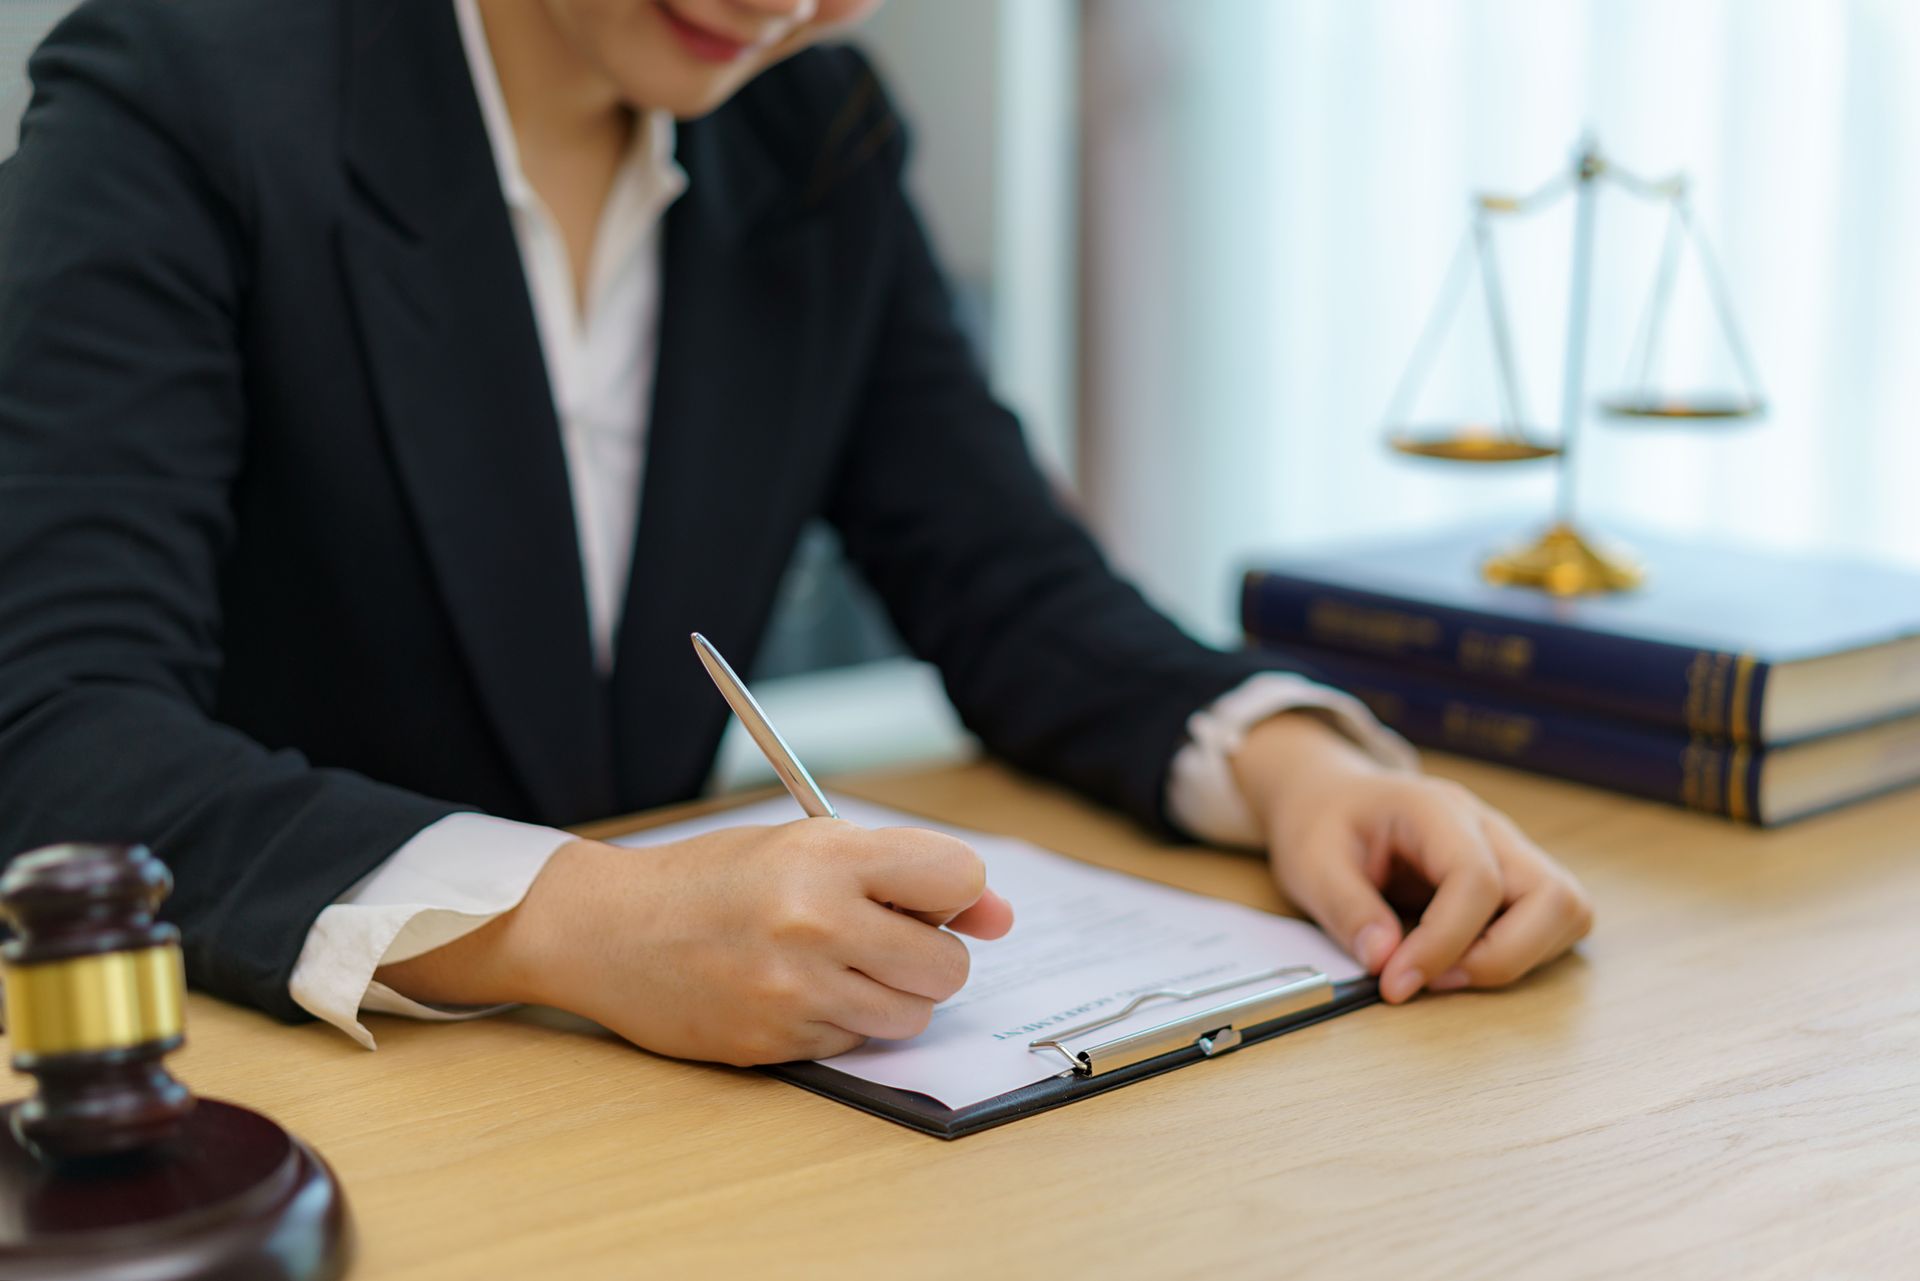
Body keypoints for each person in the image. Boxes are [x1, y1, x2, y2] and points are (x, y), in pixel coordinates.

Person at [0, 0, 1591, 1067]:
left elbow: (1007, 582)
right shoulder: (181, 94)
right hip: (282, 1093)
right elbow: (59, 733)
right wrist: (584, 922)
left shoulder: (810, 131)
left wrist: (1300, 768)